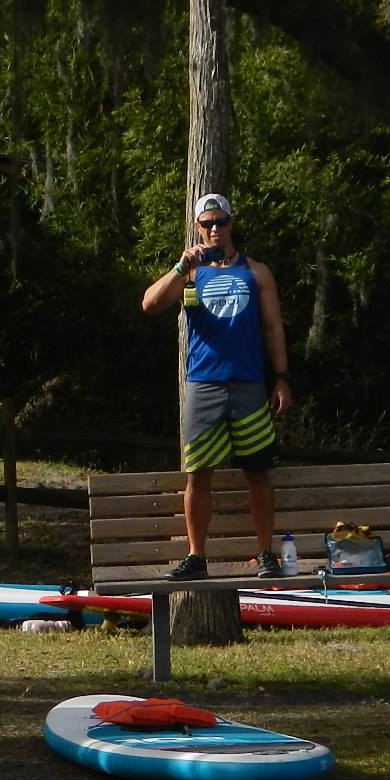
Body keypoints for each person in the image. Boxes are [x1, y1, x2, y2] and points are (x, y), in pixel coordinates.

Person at [138, 192, 293, 579]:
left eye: (220, 222)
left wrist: (282, 379)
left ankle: (265, 554)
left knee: (257, 472)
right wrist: (179, 267)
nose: (214, 230)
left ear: (230, 224)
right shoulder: (190, 272)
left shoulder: (256, 272)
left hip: (248, 386)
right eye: (206, 224)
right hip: (204, 385)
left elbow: (273, 328)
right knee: (199, 472)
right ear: (197, 228)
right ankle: (196, 557)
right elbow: (149, 305)